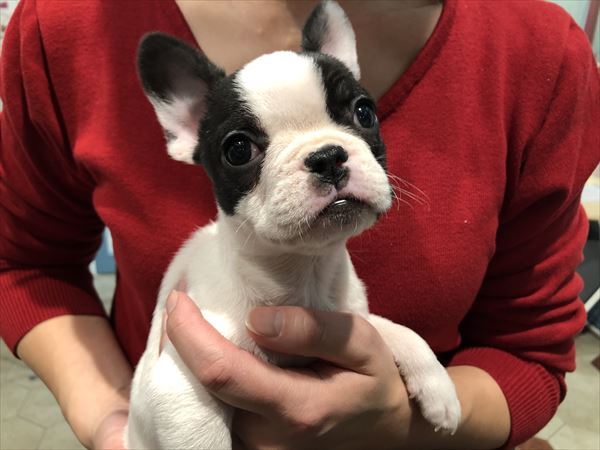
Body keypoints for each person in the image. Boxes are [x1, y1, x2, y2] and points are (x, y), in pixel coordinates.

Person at [0, 0, 598, 449]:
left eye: (357, 113)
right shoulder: (63, 26)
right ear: (188, 134)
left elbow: (525, 346)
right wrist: (113, 425)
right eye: (243, 149)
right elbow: (27, 265)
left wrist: (404, 415)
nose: (328, 158)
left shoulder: (537, 54)